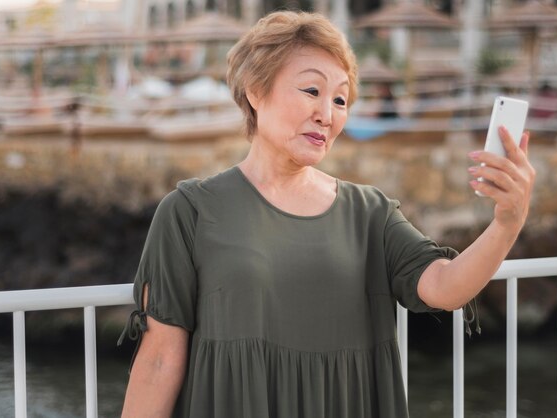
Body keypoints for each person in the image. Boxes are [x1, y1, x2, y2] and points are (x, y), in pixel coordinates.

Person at [119, 11, 535, 418]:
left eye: (340, 98)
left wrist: (507, 222)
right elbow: (158, 360)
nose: (328, 114)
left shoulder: (369, 213)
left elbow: (446, 287)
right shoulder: (189, 212)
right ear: (255, 91)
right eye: (311, 91)